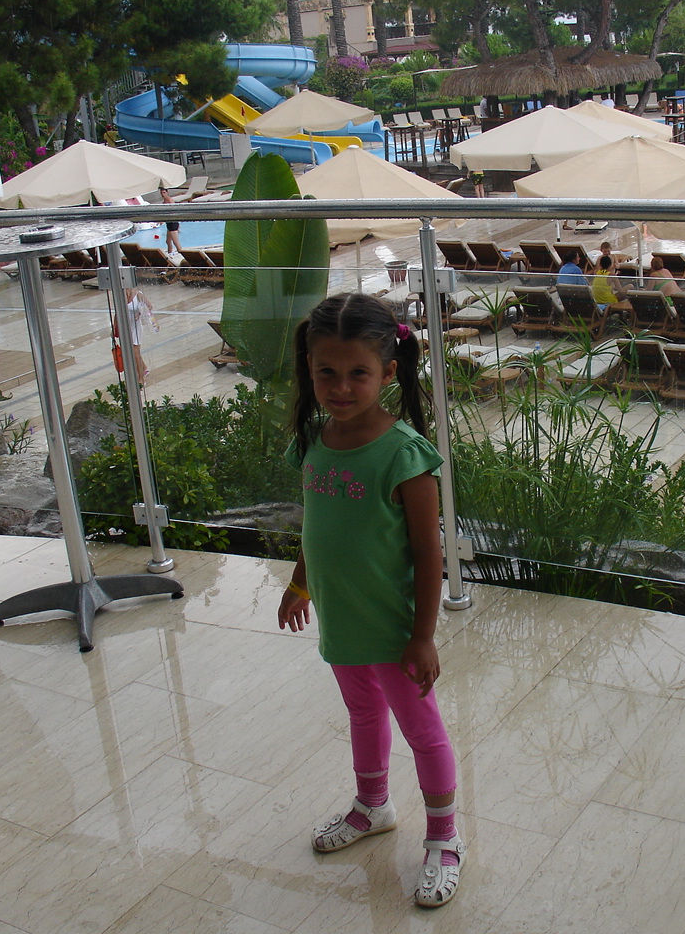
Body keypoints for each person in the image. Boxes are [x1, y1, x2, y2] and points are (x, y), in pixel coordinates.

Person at [279, 294, 464, 909]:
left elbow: (430, 553)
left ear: (388, 372)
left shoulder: (403, 453)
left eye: (357, 372)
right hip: (342, 619)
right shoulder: (314, 438)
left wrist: (423, 635)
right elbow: (318, 525)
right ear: (309, 369)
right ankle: (373, 805)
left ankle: (444, 837)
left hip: (392, 628)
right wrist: (301, 582)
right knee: (362, 713)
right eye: (326, 372)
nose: (340, 387)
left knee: (422, 731)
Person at [120, 287, 157, 386]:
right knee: (132, 351)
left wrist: (140, 312)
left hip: (136, 326)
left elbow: (149, 306)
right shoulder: (120, 295)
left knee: (135, 351)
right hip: (126, 326)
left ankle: (141, 378)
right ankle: (144, 368)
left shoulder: (138, 294)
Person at [158, 187, 183, 256]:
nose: (162, 194)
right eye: (161, 193)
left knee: (176, 243)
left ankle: (183, 255)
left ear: (167, 192)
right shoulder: (164, 202)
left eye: (164, 192)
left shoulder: (170, 201)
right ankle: (169, 255)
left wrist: (163, 220)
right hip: (169, 223)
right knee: (168, 242)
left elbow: (174, 212)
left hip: (173, 224)